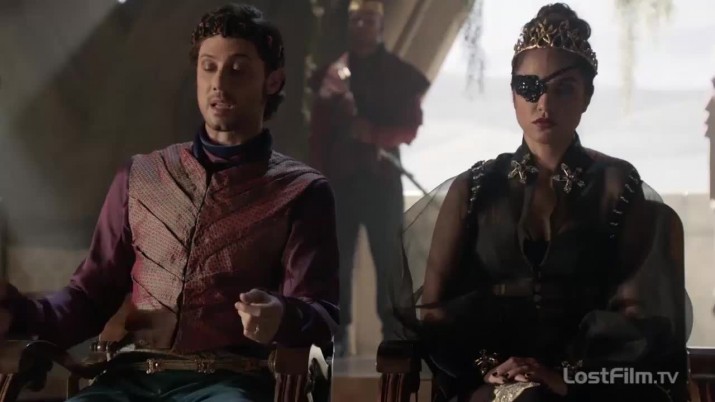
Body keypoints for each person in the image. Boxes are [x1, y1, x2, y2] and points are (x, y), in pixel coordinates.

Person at [0, 4, 339, 401]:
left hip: (230, 382)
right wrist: (19, 313)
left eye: (237, 69)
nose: (219, 83)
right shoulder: (141, 176)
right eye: (209, 67)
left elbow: (321, 313)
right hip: (130, 378)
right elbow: (89, 297)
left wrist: (282, 315)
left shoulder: (301, 191)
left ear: (273, 81)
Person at [391, 4, 688, 402]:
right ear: (513, 94)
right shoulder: (474, 188)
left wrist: (567, 378)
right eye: (529, 87)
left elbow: (641, 318)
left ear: (587, 96)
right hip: (492, 377)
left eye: (563, 88)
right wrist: (489, 365)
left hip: (587, 383)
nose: (543, 104)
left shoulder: (619, 187)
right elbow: (433, 310)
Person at [308, 0, 430, 355]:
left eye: (368, 21)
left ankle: (395, 336)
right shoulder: (333, 74)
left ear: (380, 26)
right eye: (355, 20)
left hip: (382, 181)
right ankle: (338, 336)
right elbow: (318, 133)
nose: (361, 27)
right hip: (339, 181)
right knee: (337, 260)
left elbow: (410, 127)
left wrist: (374, 134)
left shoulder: (399, 74)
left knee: (389, 260)